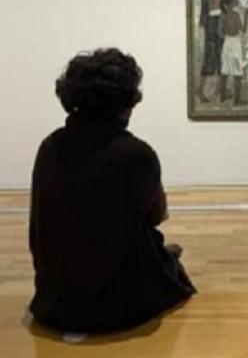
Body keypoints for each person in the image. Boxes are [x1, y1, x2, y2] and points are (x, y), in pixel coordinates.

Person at [29, 48, 195, 333]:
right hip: (117, 308)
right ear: (125, 103)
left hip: (54, 302)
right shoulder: (136, 154)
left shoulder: (50, 146)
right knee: (169, 266)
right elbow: (156, 216)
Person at [196, 0, 241, 103]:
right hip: (214, 22)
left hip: (213, 21)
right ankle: (201, 89)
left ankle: (218, 89)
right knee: (212, 56)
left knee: (218, 56)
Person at [218, 0, 248, 106]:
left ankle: (224, 96)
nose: (237, 1)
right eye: (235, 0)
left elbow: (243, 30)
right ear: (230, 3)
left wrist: (246, 15)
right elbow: (220, 32)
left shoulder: (229, 15)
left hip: (230, 42)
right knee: (235, 71)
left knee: (226, 70)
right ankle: (236, 99)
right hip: (233, 43)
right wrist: (228, 37)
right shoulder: (228, 16)